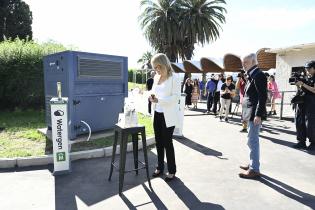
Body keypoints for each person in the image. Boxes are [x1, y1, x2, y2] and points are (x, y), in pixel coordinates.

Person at [149, 53, 181, 182]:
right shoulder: (156, 77)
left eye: (158, 66)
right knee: (158, 142)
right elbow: (153, 92)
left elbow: (175, 97)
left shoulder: (174, 77)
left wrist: (159, 100)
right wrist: (150, 96)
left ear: (164, 64)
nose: (156, 69)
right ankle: (160, 166)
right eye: (154, 67)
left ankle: (172, 170)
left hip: (168, 115)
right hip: (157, 113)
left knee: (168, 143)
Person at [239, 53, 267, 179]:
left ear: (253, 62)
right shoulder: (252, 75)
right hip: (250, 112)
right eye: (243, 62)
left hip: (254, 114)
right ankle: (252, 164)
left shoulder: (258, 75)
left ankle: (254, 169)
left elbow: (262, 97)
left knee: (253, 140)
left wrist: (258, 114)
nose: (243, 65)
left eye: (246, 62)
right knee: (250, 140)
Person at [293, 60, 315, 150]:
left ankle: (313, 143)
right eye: (306, 68)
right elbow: (302, 88)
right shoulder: (306, 77)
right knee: (299, 121)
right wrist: (299, 85)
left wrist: (302, 84)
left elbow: (314, 90)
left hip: (312, 102)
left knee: (310, 123)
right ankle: (301, 141)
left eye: (309, 68)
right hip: (302, 101)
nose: (307, 70)